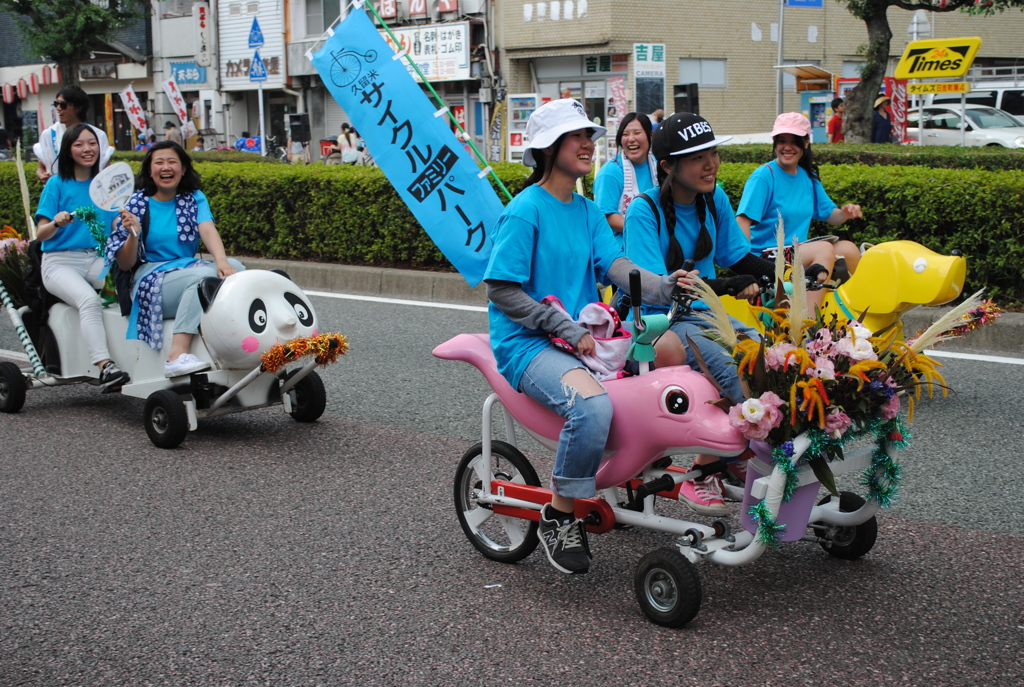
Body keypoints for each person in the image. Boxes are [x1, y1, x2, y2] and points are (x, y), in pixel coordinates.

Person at [484, 98, 689, 574]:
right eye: (577, 137)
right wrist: (561, 325)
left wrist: (663, 284)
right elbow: (501, 290)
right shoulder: (524, 212)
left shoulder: (587, 211)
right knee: (593, 405)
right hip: (529, 345)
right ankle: (559, 514)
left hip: (583, 340)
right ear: (549, 148)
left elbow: (616, 266)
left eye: (588, 137)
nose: (587, 145)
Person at [624, 112, 772, 514]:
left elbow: (738, 255)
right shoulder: (644, 211)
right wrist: (723, 285)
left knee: (765, 355)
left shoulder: (714, 197)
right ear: (668, 166)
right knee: (732, 372)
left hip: (706, 315)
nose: (710, 163)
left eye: (713, 152)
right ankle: (705, 473)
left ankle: (730, 458)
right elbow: (657, 288)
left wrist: (787, 274)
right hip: (659, 321)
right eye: (697, 157)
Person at [107, 141, 244, 377]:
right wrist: (131, 233)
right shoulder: (134, 205)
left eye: (172, 162)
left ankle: (232, 341)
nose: (165, 167)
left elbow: (207, 229)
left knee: (237, 268)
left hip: (188, 269)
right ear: (150, 171)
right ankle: (176, 355)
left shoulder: (195, 198)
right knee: (203, 278)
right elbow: (125, 264)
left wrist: (222, 261)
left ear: (183, 169)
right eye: (158, 162)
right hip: (149, 280)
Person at [34, 123, 130, 391]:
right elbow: (41, 234)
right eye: (79, 144)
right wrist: (56, 222)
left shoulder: (106, 185)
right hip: (59, 262)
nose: (87, 149)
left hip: (97, 259)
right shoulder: (56, 184)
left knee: (133, 288)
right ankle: (104, 366)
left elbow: (114, 229)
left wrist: (126, 224)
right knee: (88, 300)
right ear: (68, 150)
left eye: (92, 143)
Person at [736, 112, 863, 311]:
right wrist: (744, 267)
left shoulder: (808, 177)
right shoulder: (764, 176)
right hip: (766, 258)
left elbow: (831, 216)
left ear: (805, 143)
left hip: (796, 252)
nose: (787, 147)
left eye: (794, 141)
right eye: (781, 141)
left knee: (848, 249)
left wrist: (845, 213)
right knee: (824, 249)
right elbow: (742, 223)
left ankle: (852, 311)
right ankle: (809, 322)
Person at [592, 113, 658, 247]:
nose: (631, 139)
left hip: (656, 245)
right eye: (625, 134)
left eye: (637, 132)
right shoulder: (611, 172)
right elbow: (606, 215)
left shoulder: (658, 166)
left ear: (650, 136)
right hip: (622, 252)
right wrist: (644, 230)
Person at [33, 85, 113, 182]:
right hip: (59, 191)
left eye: (63, 105)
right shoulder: (49, 134)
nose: (58, 108)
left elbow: (106, 167)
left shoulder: (98, 135)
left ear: (78, 107)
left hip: (91, 190)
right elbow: (41, 167)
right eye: (56, 104)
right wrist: (42, 175)